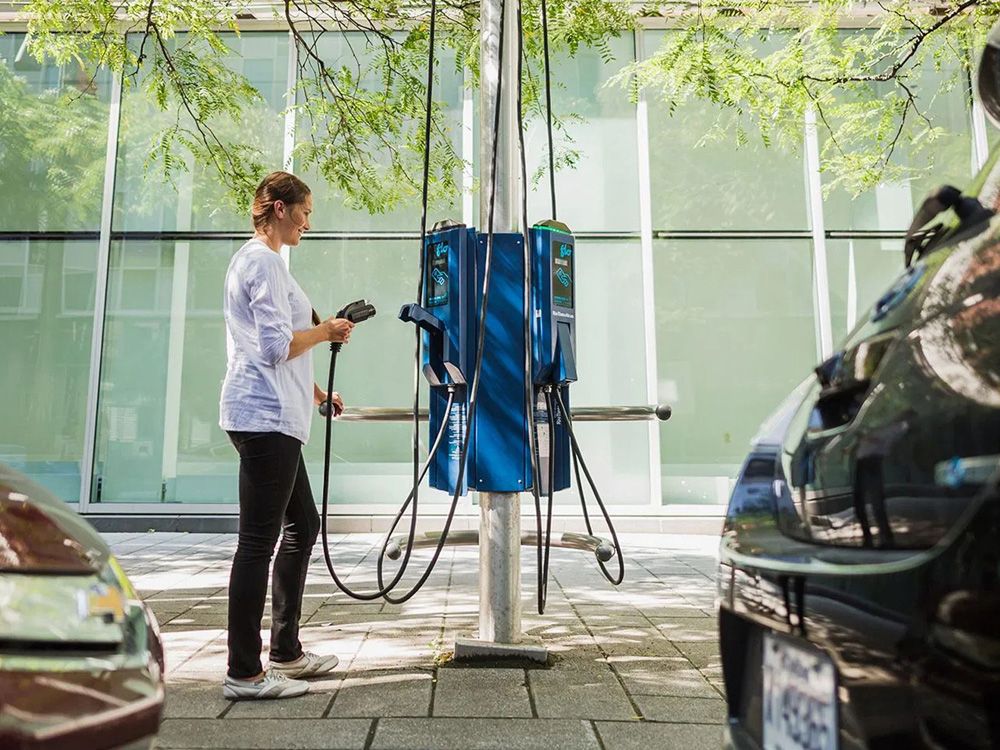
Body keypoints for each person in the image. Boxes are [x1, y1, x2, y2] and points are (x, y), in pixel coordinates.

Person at [218, 171, 354, 700]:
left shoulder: (257, 263)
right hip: (265, 418)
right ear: (278, 208)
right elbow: (277, 347)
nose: (308, 221)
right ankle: (244, 673)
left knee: (303, 524)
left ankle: (286, 653)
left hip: (273, 414)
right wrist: (330, 329)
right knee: (257, 542)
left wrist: (319, 394)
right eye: (304, 211)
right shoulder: (264, 263)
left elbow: (266, 345)